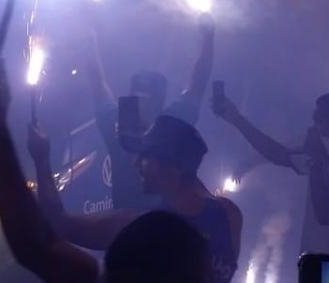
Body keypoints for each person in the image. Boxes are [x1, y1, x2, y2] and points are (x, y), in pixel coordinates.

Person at [0, 46, 212, 283]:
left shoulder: (130, 226)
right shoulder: (210, 227)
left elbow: (41, 242)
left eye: (148, 156)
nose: (138, 162)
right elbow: (97, 80)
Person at [29, 111, 241, 281]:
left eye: (146, 156)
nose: (136, 163)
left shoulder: (139, 228)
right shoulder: (229, 215)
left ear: (172, 165)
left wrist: (41, 159)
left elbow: (59, 223)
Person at [214, 88, 329, 255]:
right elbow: (278, 154)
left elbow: (326, 215)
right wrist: (236, 119)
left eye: (320, 120)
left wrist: (317, 161)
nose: (315, 127)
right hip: (316, 260)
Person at [85, 15, 216, 211]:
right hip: (138, 226)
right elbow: (197, 83)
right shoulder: (168, 122)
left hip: (144, 226)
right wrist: (208, 38)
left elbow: (97, 82)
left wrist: (89, 36)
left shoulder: (163, 123)